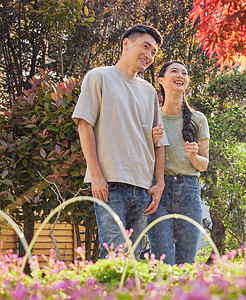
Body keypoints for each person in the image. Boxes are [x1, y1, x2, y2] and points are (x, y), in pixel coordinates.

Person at [72, 25, 169, 259]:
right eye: (145, 47)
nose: (149, 55)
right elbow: (84, 124)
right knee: (115, 258)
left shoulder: (148, 91)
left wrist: (159, 183)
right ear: (126, 43)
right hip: (111, 184)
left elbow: (159, 141)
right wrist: (96, 175)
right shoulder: (99, 77)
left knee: (133, 261)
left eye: (154, 52)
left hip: (143, 188)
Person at [147, 61, 210, 265]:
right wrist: (149, 139)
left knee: (186, 262)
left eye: (184, 72)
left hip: (189, 191)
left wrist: (193, 157)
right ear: (161, 80)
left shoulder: (198, 119)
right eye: (174, 71)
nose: (180, 75)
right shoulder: (151, 116)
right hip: (159, 190)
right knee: (163, 260)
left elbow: (204, 164)